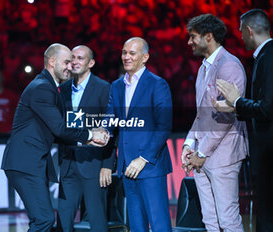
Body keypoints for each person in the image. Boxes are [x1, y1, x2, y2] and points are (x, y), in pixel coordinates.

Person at [1, 43, 109, 232]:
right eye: (67, 62)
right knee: (44, 219)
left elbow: (56, 131)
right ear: (52, 62)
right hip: (25, 163)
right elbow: (59, 128)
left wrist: (89, 139)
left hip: (29, 163)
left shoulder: (48, 86)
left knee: (40, 219)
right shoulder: (43, 88)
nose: (71, 66)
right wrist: (91, 134)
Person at [182, 14, 249, 232]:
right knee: (210, 220)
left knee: (227, 219)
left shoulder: (228, 65)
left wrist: (201, 153)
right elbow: (202, 114)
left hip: (223, 154)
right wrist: (189, 144)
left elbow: (225, 117)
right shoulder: (204, 67)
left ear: (208, 37)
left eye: (193, 37)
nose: (189, 42)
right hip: (203, 154)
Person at [213, 9, 273, 232]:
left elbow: (267, 108)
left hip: (269, 154)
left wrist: (237, 101)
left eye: (240, 31)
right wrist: (235, 106)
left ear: (249, 31)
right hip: (266, 154)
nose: (240, 36)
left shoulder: (269, 56)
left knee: (267, 216)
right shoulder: (265, 56)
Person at [105, 37, 173, 232]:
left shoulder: (157, 85)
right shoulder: (117, 86)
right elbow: (110, 119)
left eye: (132, 53)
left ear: (145, 57)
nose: (126, 57)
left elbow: (163, 127)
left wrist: (143, 158)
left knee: (159, 222)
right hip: (127, 166)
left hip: (150, 166)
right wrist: (101, 133)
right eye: (124, 52)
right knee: (136, 225)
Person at [57, 45, 115, 232]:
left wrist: (107, 164)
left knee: (97, 220)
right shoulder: (63, 88)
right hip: (68, 163)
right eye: (72, 57)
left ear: (91, 63)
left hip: (93, 164)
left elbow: (111, 128)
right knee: (64, 220)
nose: (75, 61)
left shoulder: (103, 88)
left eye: (80, 58)